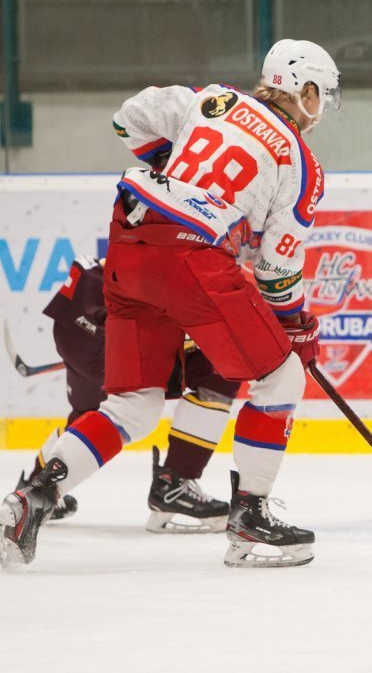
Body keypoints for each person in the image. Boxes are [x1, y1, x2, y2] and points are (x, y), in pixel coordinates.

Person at [0, 38, 341, 569]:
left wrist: (172, 167)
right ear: (305, 90)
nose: (319, 112)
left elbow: (127, 119)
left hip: (129, 240)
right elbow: (276, 269)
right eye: (319, 98)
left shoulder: (212, 101)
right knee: (281, 378)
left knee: (132, 406)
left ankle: (32, 498)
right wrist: (296, 325)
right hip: (192, 257)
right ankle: (250, 521)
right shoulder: (300, 161)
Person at [12, 255, 240, 533]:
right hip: (101, 313)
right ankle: (174, 483)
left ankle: (34, 490)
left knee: (91, 415)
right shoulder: (215, 243)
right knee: (215, 370)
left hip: (80, 314)